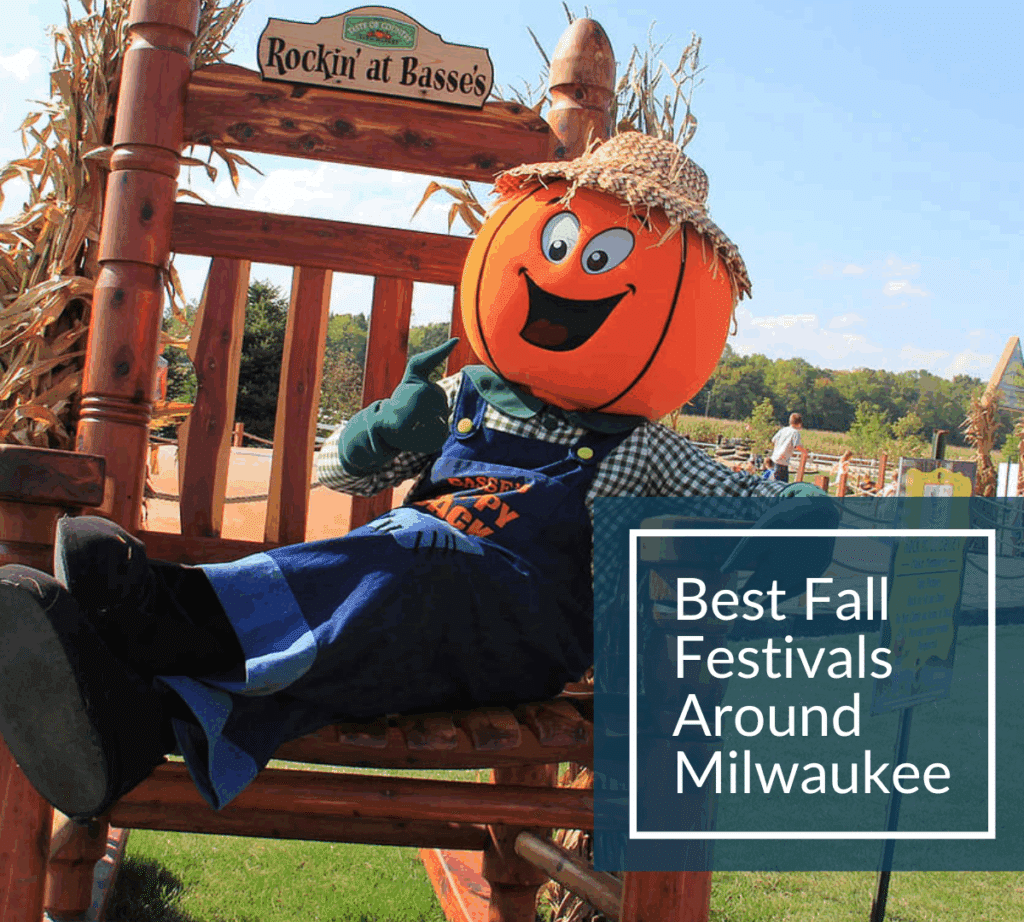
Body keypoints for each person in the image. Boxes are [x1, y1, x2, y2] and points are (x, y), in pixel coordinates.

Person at [0, 132, 824, 821]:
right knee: (389, 584)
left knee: (413, 555)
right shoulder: (462, 396)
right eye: (564, 245)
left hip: (519, 637)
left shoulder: (636, 448)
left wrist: (798, 508)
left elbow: (756, 504)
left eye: (603, 258)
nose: (572, 275)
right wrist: (381, 432)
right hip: (402, 606)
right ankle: (133, 729)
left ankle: (164, 609)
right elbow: (343, 472)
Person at [770, 412, 803, 482]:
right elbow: (797, 446)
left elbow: (773, 440)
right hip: (783, 460)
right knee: (781, 483)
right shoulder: (795, 432)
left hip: (776, 458)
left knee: (776, 480)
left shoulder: (783, 429)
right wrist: (804, 452)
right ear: (799, 423)